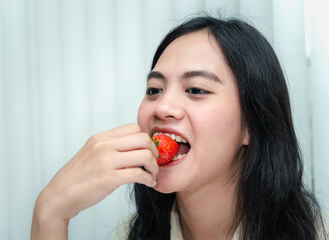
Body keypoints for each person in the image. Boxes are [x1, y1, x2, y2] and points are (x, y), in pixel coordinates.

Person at [31, 15, 328, 240]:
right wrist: (50, 213)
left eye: (196, 89)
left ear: (251, 123)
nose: (161, 107)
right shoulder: (129, 235)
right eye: (154, 89)